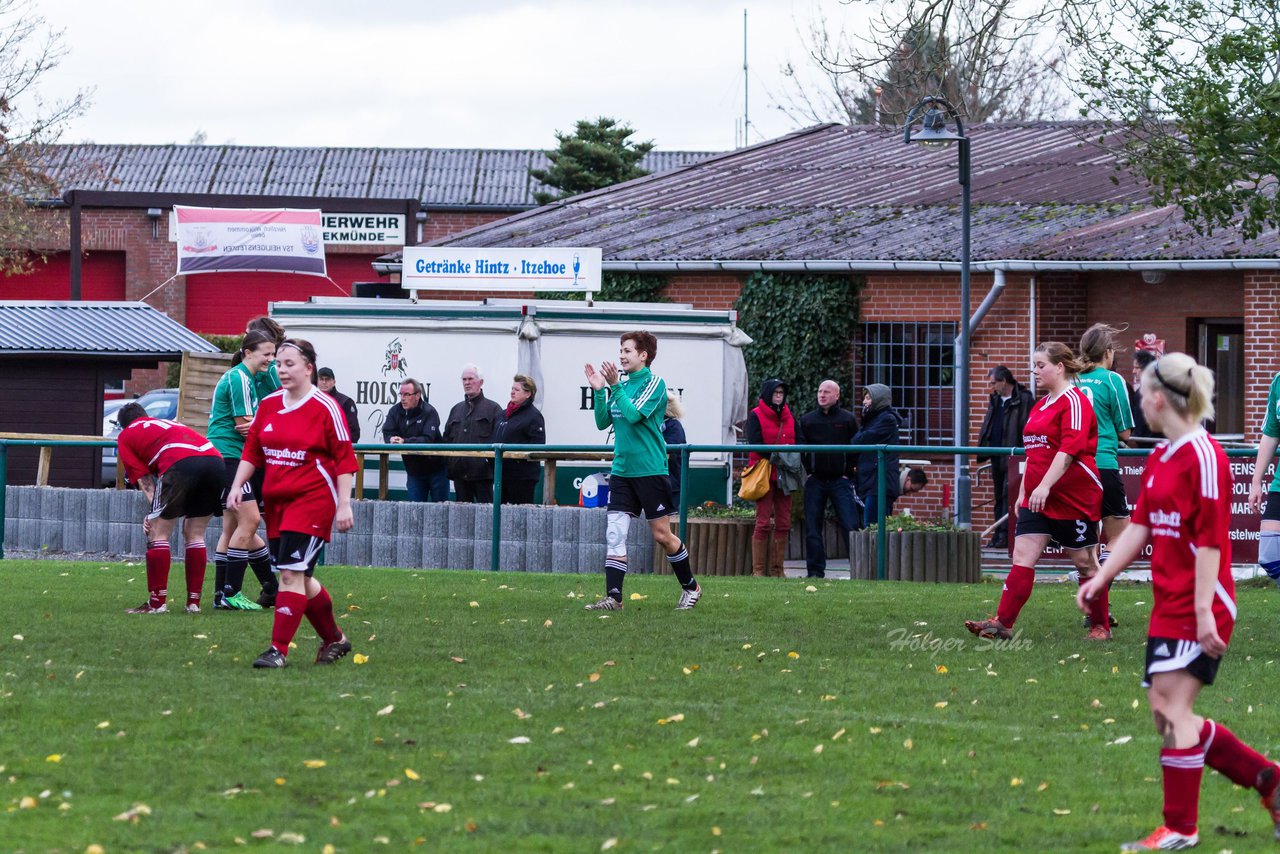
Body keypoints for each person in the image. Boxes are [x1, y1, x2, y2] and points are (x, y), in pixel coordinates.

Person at [1079, 352, 1280, 851]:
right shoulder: (1161, 456)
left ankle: (1180, 827)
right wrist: (1101, 576)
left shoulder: (1204, 455)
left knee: (1173, 710)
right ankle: (1269, 780)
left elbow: (1212, 541)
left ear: (1155, 397)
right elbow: (1142, 527)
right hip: (1170, 601)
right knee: (1165, 711)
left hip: (1202, 601)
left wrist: (1202, 613)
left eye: (1138, 392)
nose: (1136, 402)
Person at [228, 338, 357, 669]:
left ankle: (277, 650)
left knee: (289, 574)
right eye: (279, 364)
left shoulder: (326, 407)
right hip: (278, 502)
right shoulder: (269, 404)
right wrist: (237, 484)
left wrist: (345, 504)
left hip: (313, 500)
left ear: (309, 368)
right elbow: (253, 450)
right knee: (300, 576)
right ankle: (336, 639)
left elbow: (344, 460)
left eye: (289, 364)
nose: (281, 370)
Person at [965, 342, 1109, 641]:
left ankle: (1100, 627)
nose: (1034, 371)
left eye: (1040, 365)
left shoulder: (1076, 401)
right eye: (1033, 364)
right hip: (1038, 497)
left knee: (1085, 562)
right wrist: (1026, 491)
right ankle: (1002, 623)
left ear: (1060, 367)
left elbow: (1068, 451)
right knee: (1022, 556)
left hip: (1074, 496)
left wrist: (1044, 485)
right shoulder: (1040, 404)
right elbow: (1033, 451)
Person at [583, 330, 701, 610]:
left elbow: (634, 415)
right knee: (615, 532)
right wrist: (600, 391)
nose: (621, 356)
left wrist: (614, 387)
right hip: (622, 471)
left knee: (662, 535)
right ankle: (614, 598)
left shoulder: (655, 384)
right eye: (620, 350)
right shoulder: (620, 384)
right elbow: (602, 422)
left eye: (627, 351)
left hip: (650, 470)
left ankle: (691, 587)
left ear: (644, 355)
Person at [115, 402, 224, 614]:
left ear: (123, 425)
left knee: (158, 533)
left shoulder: (126, 436)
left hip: (180, 462)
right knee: (195, 534)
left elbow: (146, 481)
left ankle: (157, 604)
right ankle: (193, 603)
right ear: (145, 416)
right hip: (215, 461)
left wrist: (153, 513)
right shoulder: (167, 423)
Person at [206, 329, 278, 611]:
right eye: (267, 354)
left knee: (233, 526)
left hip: (226, 456)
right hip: (230, 457)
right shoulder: (240, 377)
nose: (271, 360)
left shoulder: (245, 376)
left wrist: (259, 424)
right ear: (248, 352)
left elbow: (254, 425)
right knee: (250, 521)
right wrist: (265, 426)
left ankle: (224, 594)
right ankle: (231, 592)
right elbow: (244, 423)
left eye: (274, 354)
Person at [1075, 323, 1136, 564]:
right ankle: (1098, 588)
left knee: (1088, 536)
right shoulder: (1113, 380)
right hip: (1102, 463)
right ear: (1108, 352)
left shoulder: (1073, 380)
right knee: (1121, 533)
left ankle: (1093, 591)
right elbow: (1125, 433)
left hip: (1074, 466)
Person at [798, 380, 858, 578]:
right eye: (819, 391)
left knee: (850, 524)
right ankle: (815, 572)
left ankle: (858, 569)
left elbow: (856, 448)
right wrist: (809, 472)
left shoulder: (848, 420)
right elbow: (801, 449)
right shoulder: (807, 420)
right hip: (816, 480)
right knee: (813, 527)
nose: (821, 395)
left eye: (826, 392)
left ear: (837, 396)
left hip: (840, 481)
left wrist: (848, 472)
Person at [977, 366, 1034, 548]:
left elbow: (1027, 425)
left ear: (1004, 381)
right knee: (999, 496)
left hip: (1013, 454)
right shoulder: (996, 399)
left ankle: (1006, 534)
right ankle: (998, 534)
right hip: (997, 453)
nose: (991, 386)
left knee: (1009, 495)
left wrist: (1024, 452)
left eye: (994, 382)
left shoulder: (1023, 399)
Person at [745, 378, 797, 578]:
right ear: (768, 394)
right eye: (775, 393)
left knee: (784, 522)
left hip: (785, 474)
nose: (778, 396)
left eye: (781, 393)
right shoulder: (755, 415)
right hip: (764, 474)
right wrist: (780, 455)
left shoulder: (789, 416)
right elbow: (756, 443)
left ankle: (778, 570)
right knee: (763, 522)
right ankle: (758, 570)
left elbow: (797, 440)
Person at [443, 363, 504, 503]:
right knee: (462, 518)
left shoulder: (493, 409)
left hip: (483, 475)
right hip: (459, 475)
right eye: (464, 379)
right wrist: (451, 463)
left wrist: (488, 464)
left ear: (481, 382)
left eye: (471, 379)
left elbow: (500, 439)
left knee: (486, 516)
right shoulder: (456, 409)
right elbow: (446, 439)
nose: (467, 383)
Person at [382, 378, 447, 502]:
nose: (402, 398)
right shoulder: (395, 411)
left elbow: (427, 439)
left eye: (407, 394)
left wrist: (405, 442)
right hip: (414, 471)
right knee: (414, 512)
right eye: (401, 394)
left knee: (441, 510)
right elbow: (387, 431)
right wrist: (391, 439)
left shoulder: (430, 412)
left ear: (417, 395)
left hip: (437, 470)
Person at [851, 383, 903, 527]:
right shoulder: (873, 420)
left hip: (878, 483)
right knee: (872, 526)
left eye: (868, 398)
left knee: (873, 527)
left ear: (878, 400)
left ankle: (875, 551)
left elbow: (858, 441)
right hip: (871, 481)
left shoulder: (886, 419)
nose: (864, 402)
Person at [491, 374, 546, 505]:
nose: (512, 392)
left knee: (519, 516)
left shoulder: (534, 417)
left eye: (517, 389)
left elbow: (537, 448)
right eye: (512, 388)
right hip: (501, 475)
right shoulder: (502, 415)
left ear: (528, 394)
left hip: (522, 478)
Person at [1249, 353, 1280, 585]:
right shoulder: (1278, 382)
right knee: (1269, 556)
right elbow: (1271, 434)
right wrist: (1256, 481)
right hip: (1279, 483)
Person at [317, 367, 360, 443]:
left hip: (337, 450)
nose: (324, 382)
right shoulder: (311, 401)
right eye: (321, 379)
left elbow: (354, 433)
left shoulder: (346, 402)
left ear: (334, 382)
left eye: (327, 379)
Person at [661, 389, 687, 512]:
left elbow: (672, 450)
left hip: (671, 482)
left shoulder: (673, 426)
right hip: (658, 481)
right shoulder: (658, 424)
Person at [1129, 349, 1161, 440]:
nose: (1133, 371)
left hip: (1147, 443)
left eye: (1136, 367)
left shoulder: (1143, 391)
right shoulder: (1158, 388)